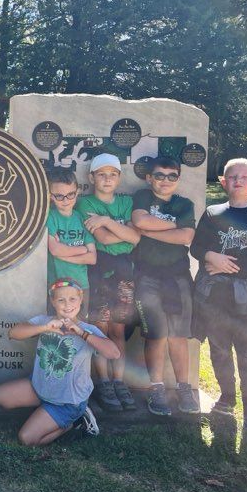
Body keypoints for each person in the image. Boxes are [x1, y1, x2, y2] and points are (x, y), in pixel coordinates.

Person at [190, 158, 247, 430]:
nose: (238, 180)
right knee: (219, 349)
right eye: (232, 176)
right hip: (215, 296)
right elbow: (197, 248)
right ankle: (227, 396)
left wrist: (226, 265)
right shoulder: (213, 214)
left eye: (244, 176)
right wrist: (210, 255)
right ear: (223, 182)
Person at [0, 278, 120, 446]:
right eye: (61, 300)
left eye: (72, 299)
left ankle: (76, 422)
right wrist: (45, 328)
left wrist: (82, 334)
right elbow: (14, 333)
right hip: (39, 387)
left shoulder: (88, 330)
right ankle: (46, 412)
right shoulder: (44, 321)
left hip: (67, 401)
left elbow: (114, 353)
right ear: (53, 301)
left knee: (27, 439)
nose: (67, 305)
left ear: (81, 300)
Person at [131, 156, 199, 416]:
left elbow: (187, 237)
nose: (165, 181)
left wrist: (150, 230)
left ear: (178, 179)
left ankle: (184, 387)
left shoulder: (184, 204)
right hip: (146, 276)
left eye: (172, 176)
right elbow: (140, 221)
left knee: (178, 335)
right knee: (156, 335)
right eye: (159, 175)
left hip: (178, 276)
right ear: (150, 178)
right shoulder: (142, 197)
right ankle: (156, 388)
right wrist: (172, 225)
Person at [75, 153, 140, 412]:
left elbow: (135, 238)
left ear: (119, 178)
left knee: (118, 329)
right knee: (99, 328)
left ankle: (119, 381)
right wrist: (118, 228)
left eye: (112, 174)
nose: (107, 179)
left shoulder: (127, 202)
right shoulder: (83, 203)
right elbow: (104, 239)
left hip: (125, 273)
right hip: (98, 271)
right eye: (101, 174)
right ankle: (103, 381)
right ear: (91, 177)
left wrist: (105, 220)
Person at [46, 168, 97, 312]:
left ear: (77, 192)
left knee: (80, 327)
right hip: (57, 285)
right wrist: (81, 250)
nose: (66, 200)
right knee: (56, 329)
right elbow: (55, 249)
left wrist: (62, 253)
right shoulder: (50, 217)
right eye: (59, 196)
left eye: (70, 194)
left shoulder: (81, 218)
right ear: (50, 196)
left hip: (81, 286)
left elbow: (92, 258)